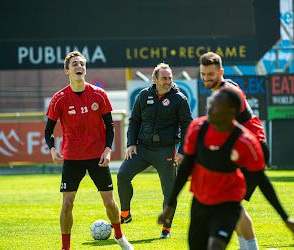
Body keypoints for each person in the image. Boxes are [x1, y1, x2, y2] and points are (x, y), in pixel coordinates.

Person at [158, 88, 294, 250]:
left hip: (228, 203)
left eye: (216, 106)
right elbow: (186, 168)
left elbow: (261, 180)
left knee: (216, 246)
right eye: (211, 104)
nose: (210, 109)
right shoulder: (197, 128)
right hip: (201, 201)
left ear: (231, 112)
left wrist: (285, 218)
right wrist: (170, 205)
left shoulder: (246, 141)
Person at [199, 52, 294, 250]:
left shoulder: (226, 92)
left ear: (220, 72)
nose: (206, 78)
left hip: (252, 149)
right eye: (203, 74)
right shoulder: (224, 88)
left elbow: (232, 128)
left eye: (211, 74)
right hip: (245, 149)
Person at [44, 51, 133, 250]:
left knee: (109, 202)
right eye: (75, 64)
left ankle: (119, 237)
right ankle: (65, 247)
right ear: (67, 70)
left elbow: (110, 126)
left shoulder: (99, 94)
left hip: (97, 156)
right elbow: (48, 130)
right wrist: (52, 149)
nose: (79, 67)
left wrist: (108, 150)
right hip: (73, 157)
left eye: (82, 64)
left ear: (85, 69)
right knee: (67, 204)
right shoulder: (59, 99)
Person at [117, 62, 193, 239]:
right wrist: (131, 144)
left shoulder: (179, 99)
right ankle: (125, 214)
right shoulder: (143, 96)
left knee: (169, 191)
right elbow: (134, 121)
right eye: (164, 78)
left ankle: (166, 229)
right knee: (122, 175)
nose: (167, 82)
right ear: (155, 79)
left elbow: (187, 125)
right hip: (142, 148)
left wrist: (182, 151)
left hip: (166, 150)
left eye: (170, 78)